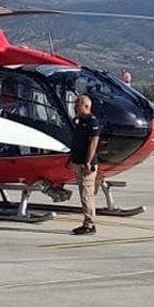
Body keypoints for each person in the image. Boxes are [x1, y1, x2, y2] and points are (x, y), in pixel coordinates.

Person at [66, 94, 102, 235]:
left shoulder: (92, 122)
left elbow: (93, 143)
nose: (75, 107)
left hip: (86, 165)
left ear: (86, 106)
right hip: (78, 161)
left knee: (87, 195)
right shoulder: (80, 121)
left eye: (78, 105)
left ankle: (89, 224)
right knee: (84, 194)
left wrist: (88, 162)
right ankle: (88, 221)